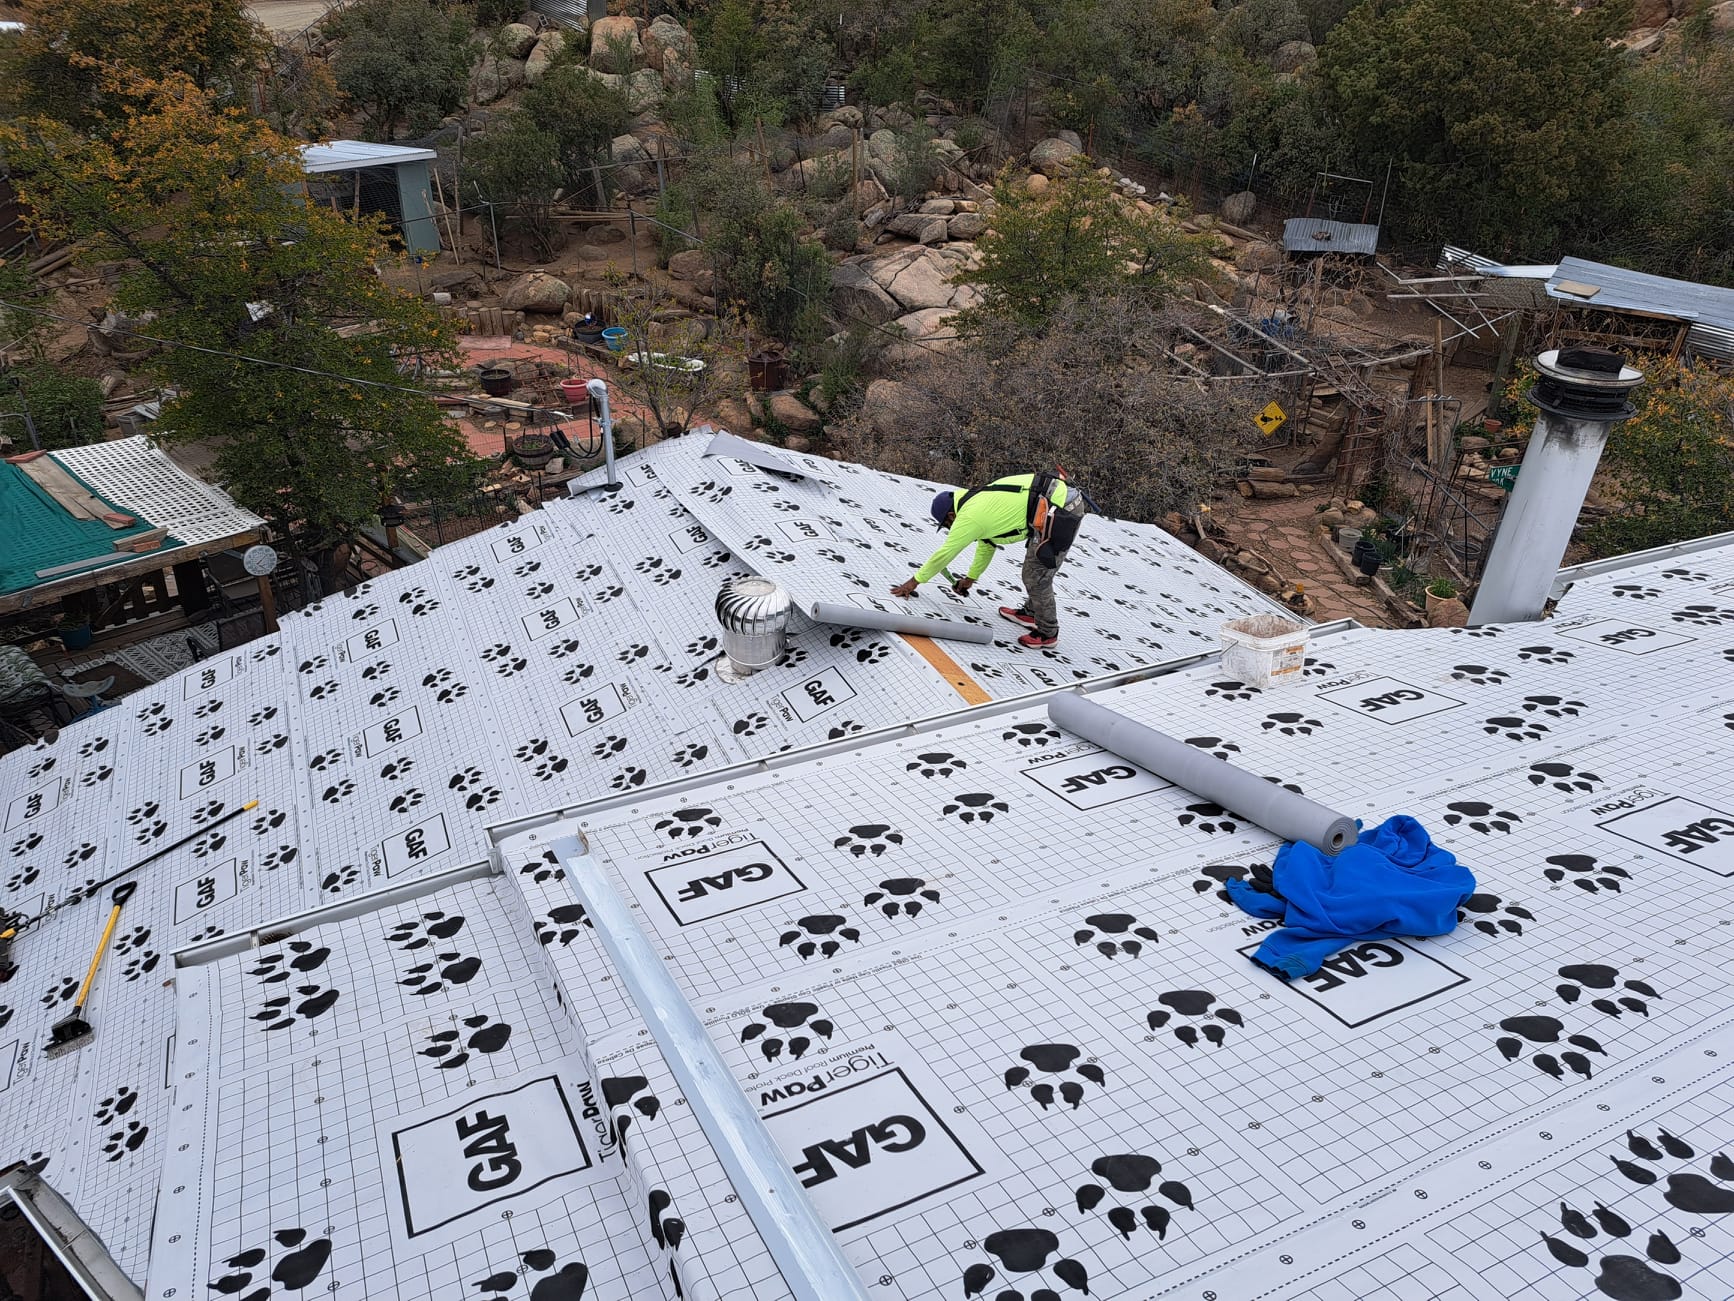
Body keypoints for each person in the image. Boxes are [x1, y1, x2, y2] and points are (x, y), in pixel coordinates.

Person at [889, 471, 1076, 648]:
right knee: (1034, 570)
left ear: (951, 515)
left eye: (947, 524)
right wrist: (970, 578)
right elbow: (987, 543)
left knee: (1036, 575)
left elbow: (945, 554)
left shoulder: (969, 517)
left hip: (1061, 508)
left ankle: (1047, 633)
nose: (949, 528)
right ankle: (1031, 613)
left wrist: (914, 582)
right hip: (1052, 500)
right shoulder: (975, 500)